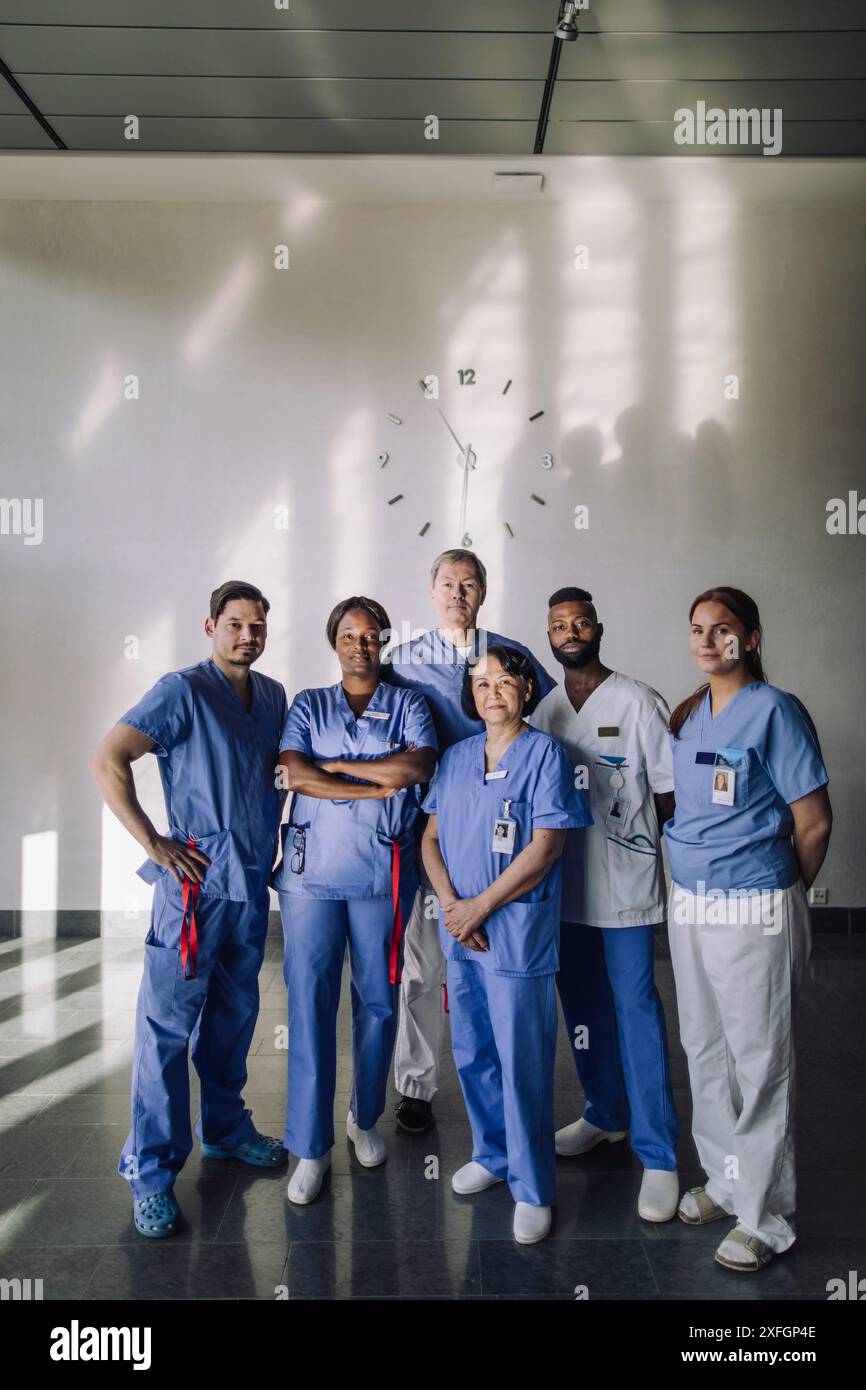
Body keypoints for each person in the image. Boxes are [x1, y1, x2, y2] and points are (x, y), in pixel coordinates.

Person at [89, 581, 289, 1239]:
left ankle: (226, 1128)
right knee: (166, 1031)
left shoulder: (273, 697)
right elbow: (108, 758)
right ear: (210, 627)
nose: (247, 636)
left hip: (248, 889)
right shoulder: (181, 691)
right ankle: (150, 1174)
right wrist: (154, 842)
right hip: (194, 894)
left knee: (234, 1020)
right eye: (235, 624)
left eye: (257, 626)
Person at [664, 586, 832, 1271]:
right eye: (698, 629)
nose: (707, 641)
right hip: (690, 903)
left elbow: (813, 821)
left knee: (760, 1059)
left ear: (751, 639)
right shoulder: (689, 715)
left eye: (723, 629)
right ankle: (727, 1180)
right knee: (704, 1047)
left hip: (755, 904)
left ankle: (766, 1216)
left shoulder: (775, 711)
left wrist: (781, 890)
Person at [421, 645, 591, 1244]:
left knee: (522, 1060)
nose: (492, 692)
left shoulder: (546, 755)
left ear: (525, 689)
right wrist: (451, 904)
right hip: (462, 931)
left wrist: (480, 906)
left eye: (504, 681)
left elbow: (547, 846)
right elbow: (430, 838)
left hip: (515, 931)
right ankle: (491, 1154)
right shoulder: (457, 758)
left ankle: (532, 1186)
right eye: (481, 683)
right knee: (473, 1051)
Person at [273, 597, 437, 1204]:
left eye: (371, 637)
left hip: (381, 873)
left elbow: (416, 768)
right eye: (349, 636)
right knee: (310, 1003)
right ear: (334, 641)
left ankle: (363, 1118)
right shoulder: (308, 704)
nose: (360, 646)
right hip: (311, 876)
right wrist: (373, 782)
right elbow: (293, 773)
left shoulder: (410, 704)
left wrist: (338, 766)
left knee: (379, 1002)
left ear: (384, 642)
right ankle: (309, 1146)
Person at [386, 548, 556, 1134]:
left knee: (499, 971)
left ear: (483, 592)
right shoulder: (403, 662)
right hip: (433, 836)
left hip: (504, 844)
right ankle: (415, 1085)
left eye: (469, 583)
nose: (458, 593)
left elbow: (545, 729)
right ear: (431, 591)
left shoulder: (511, 655)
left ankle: (507, 1088)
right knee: (422, 967)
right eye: (448, 583)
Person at [530, 587, 681, 1221]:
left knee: (636, 1008)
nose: (570, 631)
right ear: (549, 636)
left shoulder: (639, 702)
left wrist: (631, 840)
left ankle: (659, 1153)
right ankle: (606, 1112)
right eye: (558, 625)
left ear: (598, 628)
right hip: (565, 891)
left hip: (624, 889)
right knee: (584, 1008)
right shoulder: (544, 711)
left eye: (580, 622)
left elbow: (669, 795)